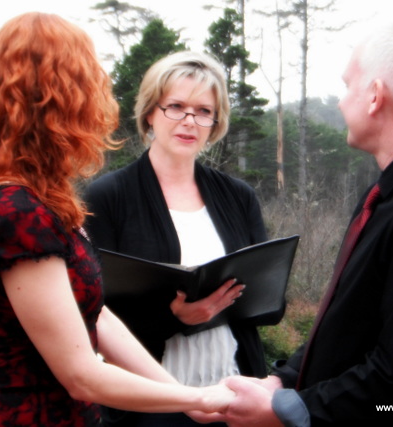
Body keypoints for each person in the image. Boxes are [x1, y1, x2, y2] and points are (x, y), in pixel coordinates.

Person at [0, 13, 235, 426]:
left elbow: (97, 316)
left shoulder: (43, 199)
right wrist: (198, 400)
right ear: (60, 101)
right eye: (88, 85)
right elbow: (82, 375)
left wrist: (189, 399)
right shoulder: (14, 210)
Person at [209, 23, 393, 427]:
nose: (342, 103)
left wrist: (283, 413)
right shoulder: (391, 194)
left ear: (375, 95)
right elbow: (345, 327)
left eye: (348, 87)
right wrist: (281, 383)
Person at [83, 51, 277, 426]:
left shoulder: (239, 196)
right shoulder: (108, 197)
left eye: (204, 111)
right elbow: (92, 313)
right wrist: (174, 317)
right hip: (151, 402)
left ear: (215, 122)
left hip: (235, 391)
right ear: (150, 113)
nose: (190, 121)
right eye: (176, 106)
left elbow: (267, 300)